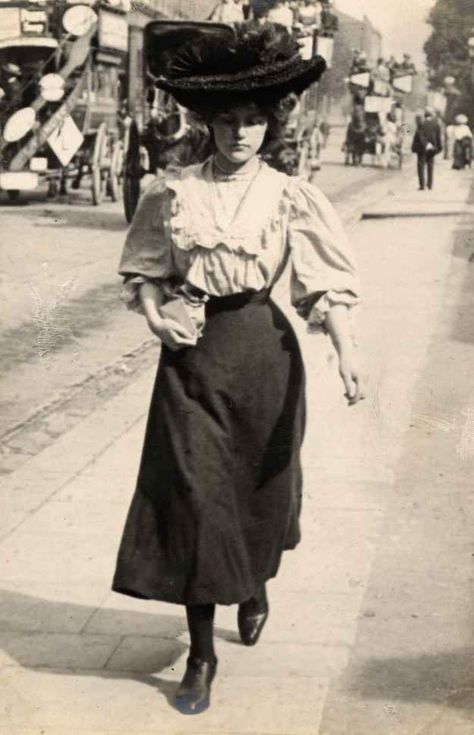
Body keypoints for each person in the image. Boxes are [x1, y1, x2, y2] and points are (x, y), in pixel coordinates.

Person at [112, 22, 364, 716]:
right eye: (229, 121)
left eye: (254, 121)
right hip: (192, 356)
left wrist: (346, 353)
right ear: (208, 124)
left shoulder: (291, 194)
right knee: (195, 498)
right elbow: (144, 274)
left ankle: (252, 582)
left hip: (264, 353)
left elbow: (322, 283)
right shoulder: (173, 191)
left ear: (269, 125)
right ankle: (200, 653)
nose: (242, 134)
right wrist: (156, 314)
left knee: (256, 493)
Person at [411, 108, 442, 190]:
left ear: (425, 115)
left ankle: (422, 185)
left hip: (422, 148)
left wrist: (415, 147)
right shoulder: (436, 124)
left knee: (421, 166)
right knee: (430, 166)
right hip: (432, 148)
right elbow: (438, 137)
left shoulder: (421, 124)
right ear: (431, 115)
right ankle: (430, 185)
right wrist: (439, 148)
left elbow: (418, 136)